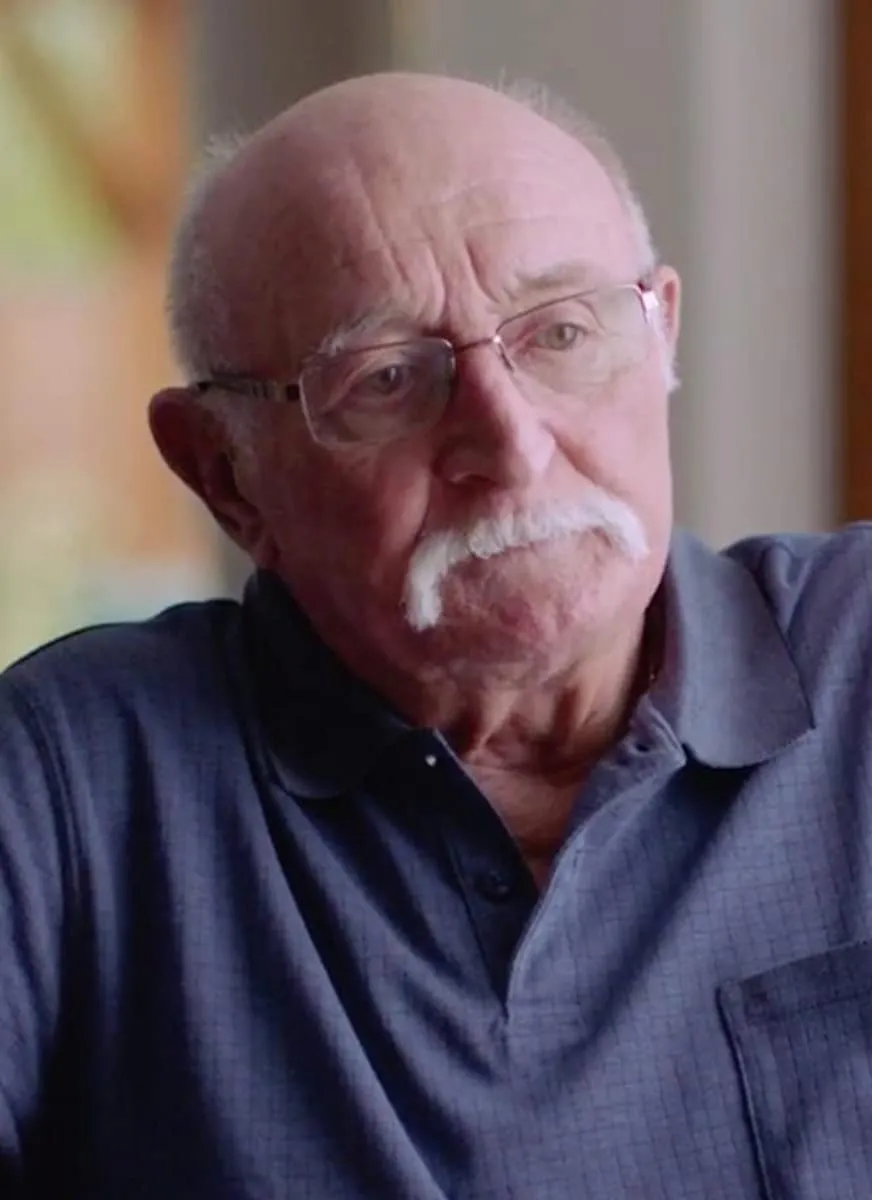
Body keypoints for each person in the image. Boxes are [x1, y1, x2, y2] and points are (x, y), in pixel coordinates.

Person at [0, 70, 868, 1200]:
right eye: (388, 378)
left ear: (661, 333)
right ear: (225, 474)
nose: (509, 443)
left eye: (562, 331)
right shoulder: (74, 780)